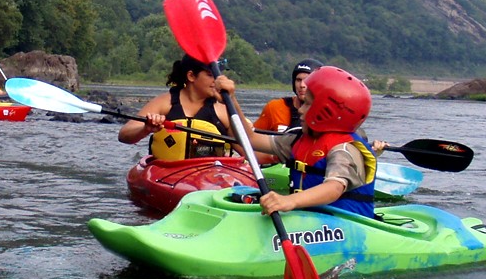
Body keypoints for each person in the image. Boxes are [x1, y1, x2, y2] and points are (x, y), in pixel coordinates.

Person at [217, 65, 385, 219]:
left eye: (307, 104)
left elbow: (333, 188)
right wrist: (231, 101)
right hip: (310, 221)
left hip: (348, 227)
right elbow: (249, 138)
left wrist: (289, 201)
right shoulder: (300, 140)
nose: (300, 109)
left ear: (327, 113)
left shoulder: (345, 149)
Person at [118, 54, 238, 160]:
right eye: (210, 75)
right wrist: (145, 129)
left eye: (219, 76)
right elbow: (124, 135)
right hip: (167, 173)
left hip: (212, 176)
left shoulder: (223, 110)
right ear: (191, 76)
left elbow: (249, 147)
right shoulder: (165, 103)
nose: (217, 82)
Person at [253, 58, 323, 133]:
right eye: (298, 80)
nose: (302, 85)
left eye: (307, 80)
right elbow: (250, 138)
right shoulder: (274, 107)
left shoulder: (324, 114)